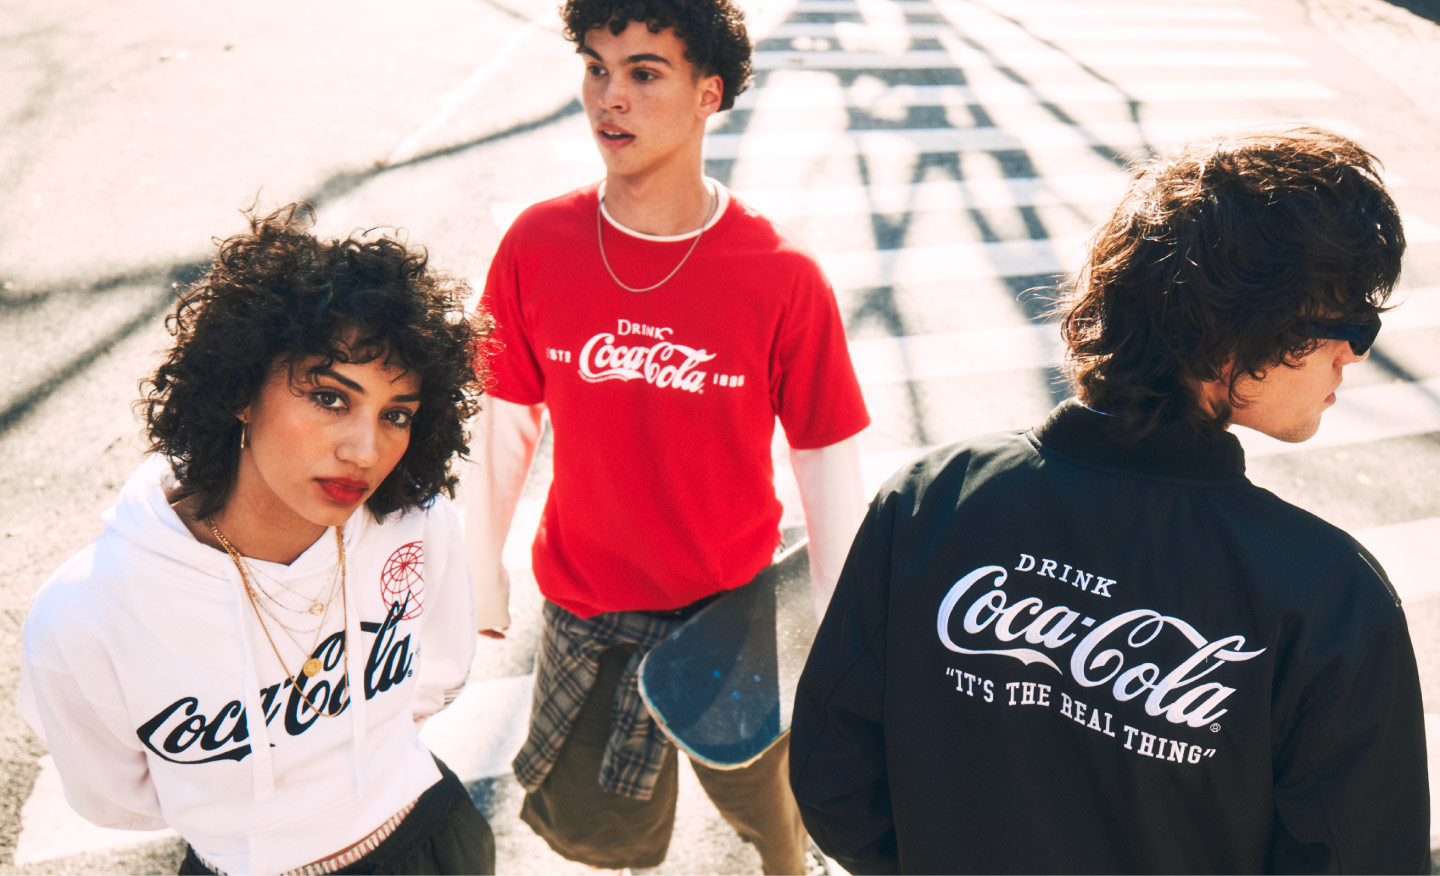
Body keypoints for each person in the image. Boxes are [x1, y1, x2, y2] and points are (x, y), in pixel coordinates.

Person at [789, 126, 1432, 874]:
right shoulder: (1328, 597)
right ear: (1236, 339)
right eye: (1349, 324)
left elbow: (834, 777)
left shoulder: (934, 496)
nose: (1355, 352)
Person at [462, 0, 870, 870]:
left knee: (783, 818)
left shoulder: (781, 276)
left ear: (706, 95)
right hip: (588, 608)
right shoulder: (539, 243)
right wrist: (477, 568)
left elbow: (827, 459)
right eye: (597, 68)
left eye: (645, 73)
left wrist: (844, 627)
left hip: (732, 614)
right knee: (601, 838)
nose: (610, 97)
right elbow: (502, 425)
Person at [18, 204, 498, 875]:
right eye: (331, 397)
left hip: (429, 839)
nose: (365, 449)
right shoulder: (89, 611)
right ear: (241, 389)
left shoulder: (412, 523)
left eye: (396, 415)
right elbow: (114, 797)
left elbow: (437, 674)